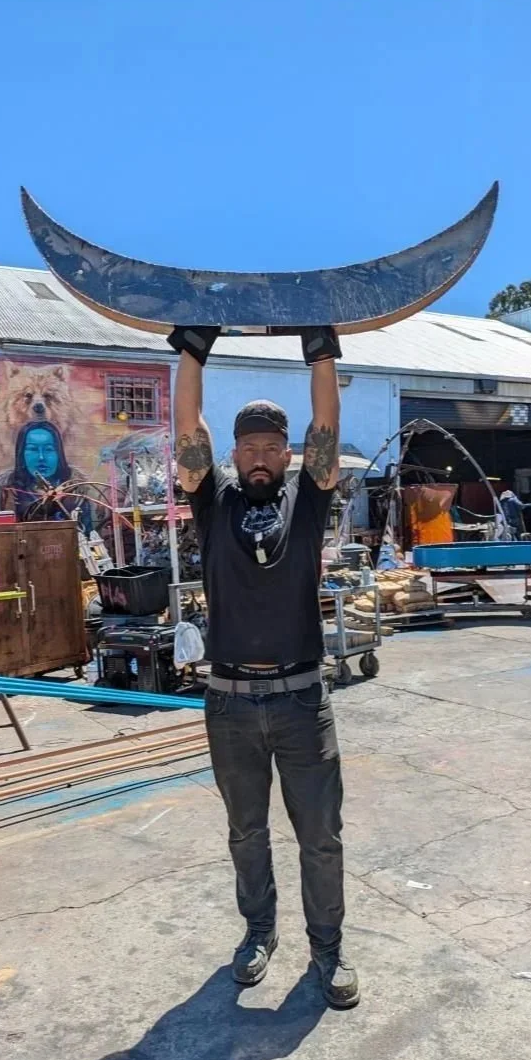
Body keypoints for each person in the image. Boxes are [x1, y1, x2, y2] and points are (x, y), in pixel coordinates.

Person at [169, 323, 359, 1009]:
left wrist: (321, 353)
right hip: (228, 704)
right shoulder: (211, 500)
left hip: (302, 701)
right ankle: (258, 934)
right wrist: (192, 350)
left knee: (320, 838)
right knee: (245, 833)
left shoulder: (308, 500)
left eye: (269, 447)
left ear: (286, 455)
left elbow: (327, 424)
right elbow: (187, 427)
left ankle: (328, 951)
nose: (257, 456)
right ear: (234, 452)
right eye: (247, 445)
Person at [0, 420, 96, 533]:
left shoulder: (77, 494)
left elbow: (88, 534)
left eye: (48, 449)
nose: (41, 457)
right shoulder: (7, 493)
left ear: (59, 453)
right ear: (21, 453)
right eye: (33, 449)